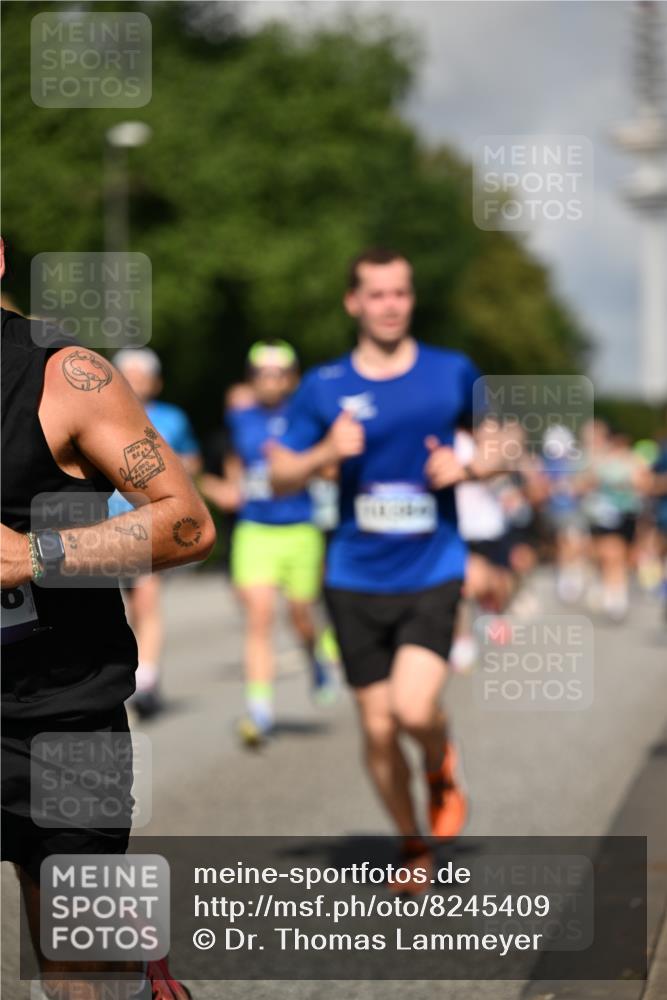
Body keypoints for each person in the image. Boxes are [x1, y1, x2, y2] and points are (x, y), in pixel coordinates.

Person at [1, 238, 215, 1000]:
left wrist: (34, 555)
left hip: (62, 710)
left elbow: (186, 524)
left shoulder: (66, 376)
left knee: (75, 967)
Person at [269, 248, 498, 878]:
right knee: (375, 728)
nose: (390, 305)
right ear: (354, 302)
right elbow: (279, 473)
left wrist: (470, 465)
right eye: (376, 294)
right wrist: (323, 452)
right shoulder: (324, 385)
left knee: (413, 709)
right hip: (353, 575)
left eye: (400, 293)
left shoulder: (451, 373)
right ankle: (411, 842)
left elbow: (508, 440)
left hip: (432, 566)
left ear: (411, 298)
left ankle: (438, 760)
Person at [200, 341, 335, 747]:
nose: (271, 381)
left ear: (292, 379)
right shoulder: (239, 418)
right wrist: (226, 489)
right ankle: (259, 710)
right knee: (259, 618)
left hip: (300, 529)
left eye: (279, 374)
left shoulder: (307, 418)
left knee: (300, 615)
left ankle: (315, 653)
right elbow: (225, 467)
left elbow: (330, 466)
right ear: (251, 379)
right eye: (262, 374)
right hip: (255, 530)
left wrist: (299, 470)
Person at [109, 348, 202, 719]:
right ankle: (127, 671)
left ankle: (145, 679)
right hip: (99, 527)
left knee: (145, 600)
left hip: (149, 524)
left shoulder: (171, 419)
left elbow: (192, 460)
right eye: (126, 374)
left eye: (141, 375)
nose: (134, 381)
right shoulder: (99, 414)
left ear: (155, 381)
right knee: (118, 608)